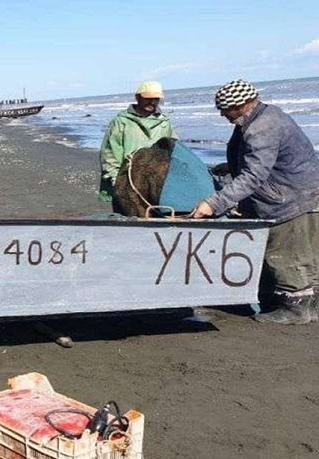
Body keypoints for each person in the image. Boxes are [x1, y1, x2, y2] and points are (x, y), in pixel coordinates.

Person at [191, 79, 319, 324]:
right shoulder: (263, 117)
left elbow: (254, 176)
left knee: (287, 254)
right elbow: (269, 159)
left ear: (242, 104)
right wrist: (232, 166)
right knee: (306, 255)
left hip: (291, 199)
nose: (222, 114)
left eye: (225, 109)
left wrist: (213, 203)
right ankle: (308, 306)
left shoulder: (262, 127)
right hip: (302, 191)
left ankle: (296, 310)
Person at [98, 81, 178, 209]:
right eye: (148, 98)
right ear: (138, 98)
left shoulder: (164, 123)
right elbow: (109, 153)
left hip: (155, 183)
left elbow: (174, 149)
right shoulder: (121, 122)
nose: (152, 102)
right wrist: (116, 181)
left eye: (155, 99)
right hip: (127, 180)